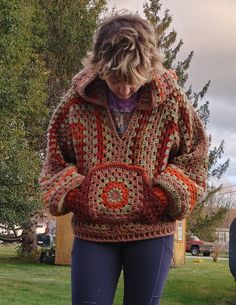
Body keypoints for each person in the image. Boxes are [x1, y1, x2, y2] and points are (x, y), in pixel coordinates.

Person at [39, 12, 208, 305]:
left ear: (149, 67)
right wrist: (78, 194)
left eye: (135, 80)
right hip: (93, 234)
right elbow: (54, 161)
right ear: (99, 66)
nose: (126, 89)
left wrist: (162, 196)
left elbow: (195, 156)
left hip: (153, 233)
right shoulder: (75, 103)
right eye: (117, 80)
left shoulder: (172, 101)